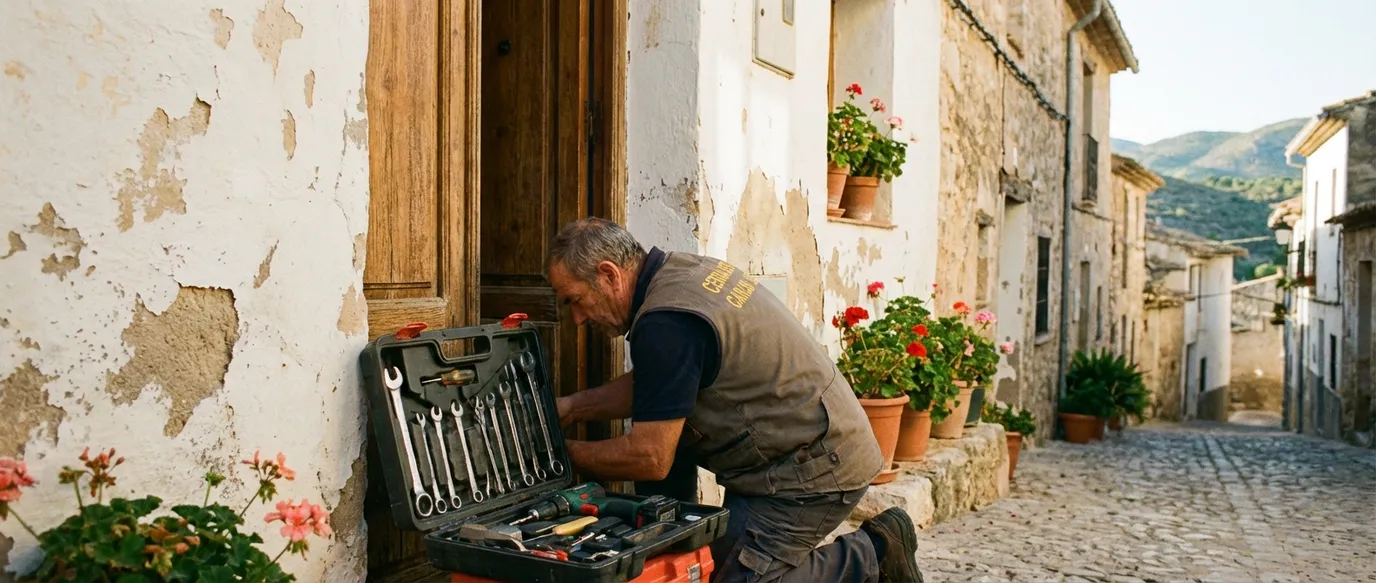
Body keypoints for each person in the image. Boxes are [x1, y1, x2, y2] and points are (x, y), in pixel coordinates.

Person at [546, 217, 923, 583]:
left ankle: (872, 554)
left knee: (734, 579)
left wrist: (560, 455)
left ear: (609, 274)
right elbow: (662, 384)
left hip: (812, 470)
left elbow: (651, 457)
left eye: (576, 300)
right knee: (708, 566)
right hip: (804, 449)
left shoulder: (666, 323)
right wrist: (574, 407)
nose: (577, 318)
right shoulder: (679, 273)